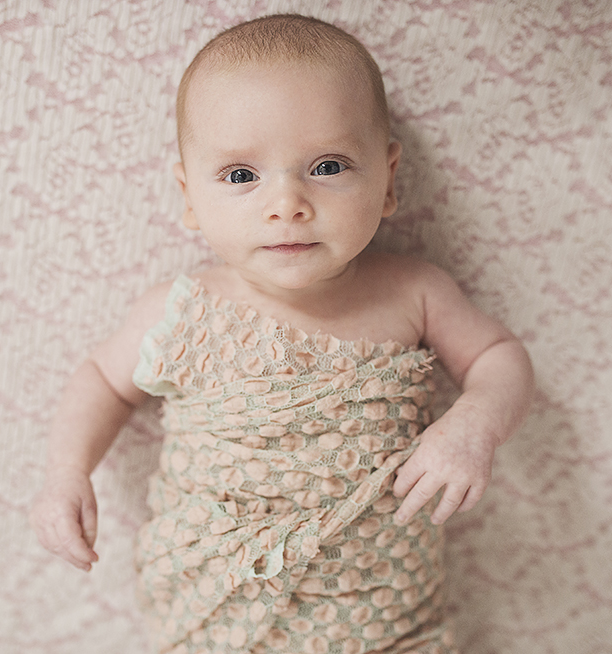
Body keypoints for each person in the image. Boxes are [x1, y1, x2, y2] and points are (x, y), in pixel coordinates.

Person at [30, 13, 534, 654]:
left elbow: (500, 356)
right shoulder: (181, 309)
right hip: (218, 603)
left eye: (327, 165)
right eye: (242, 175)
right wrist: (66, 472)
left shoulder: (414, 292)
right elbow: (101, 380)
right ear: (189, 195)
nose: (287, 202)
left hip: (381, 611)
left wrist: (474, 427)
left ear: (388, 179)